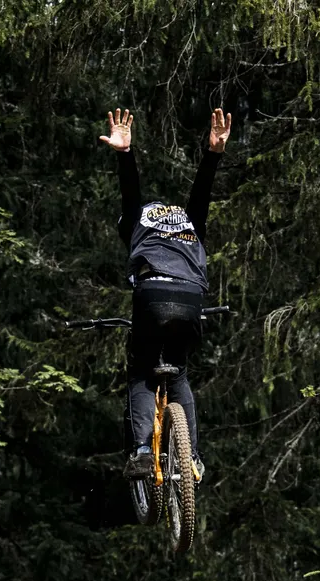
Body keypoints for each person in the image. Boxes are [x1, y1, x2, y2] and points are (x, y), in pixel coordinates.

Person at [100, 105, 231, 482]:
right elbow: (201, 192)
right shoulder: (190, 223)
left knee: (142, 372)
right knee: (179, 375)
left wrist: (124, 154)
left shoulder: (137, 220)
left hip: (151, 296)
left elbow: (131, 194)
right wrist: (213, 152)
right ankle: (191, 459)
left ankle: (142, 450)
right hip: (191, 297)